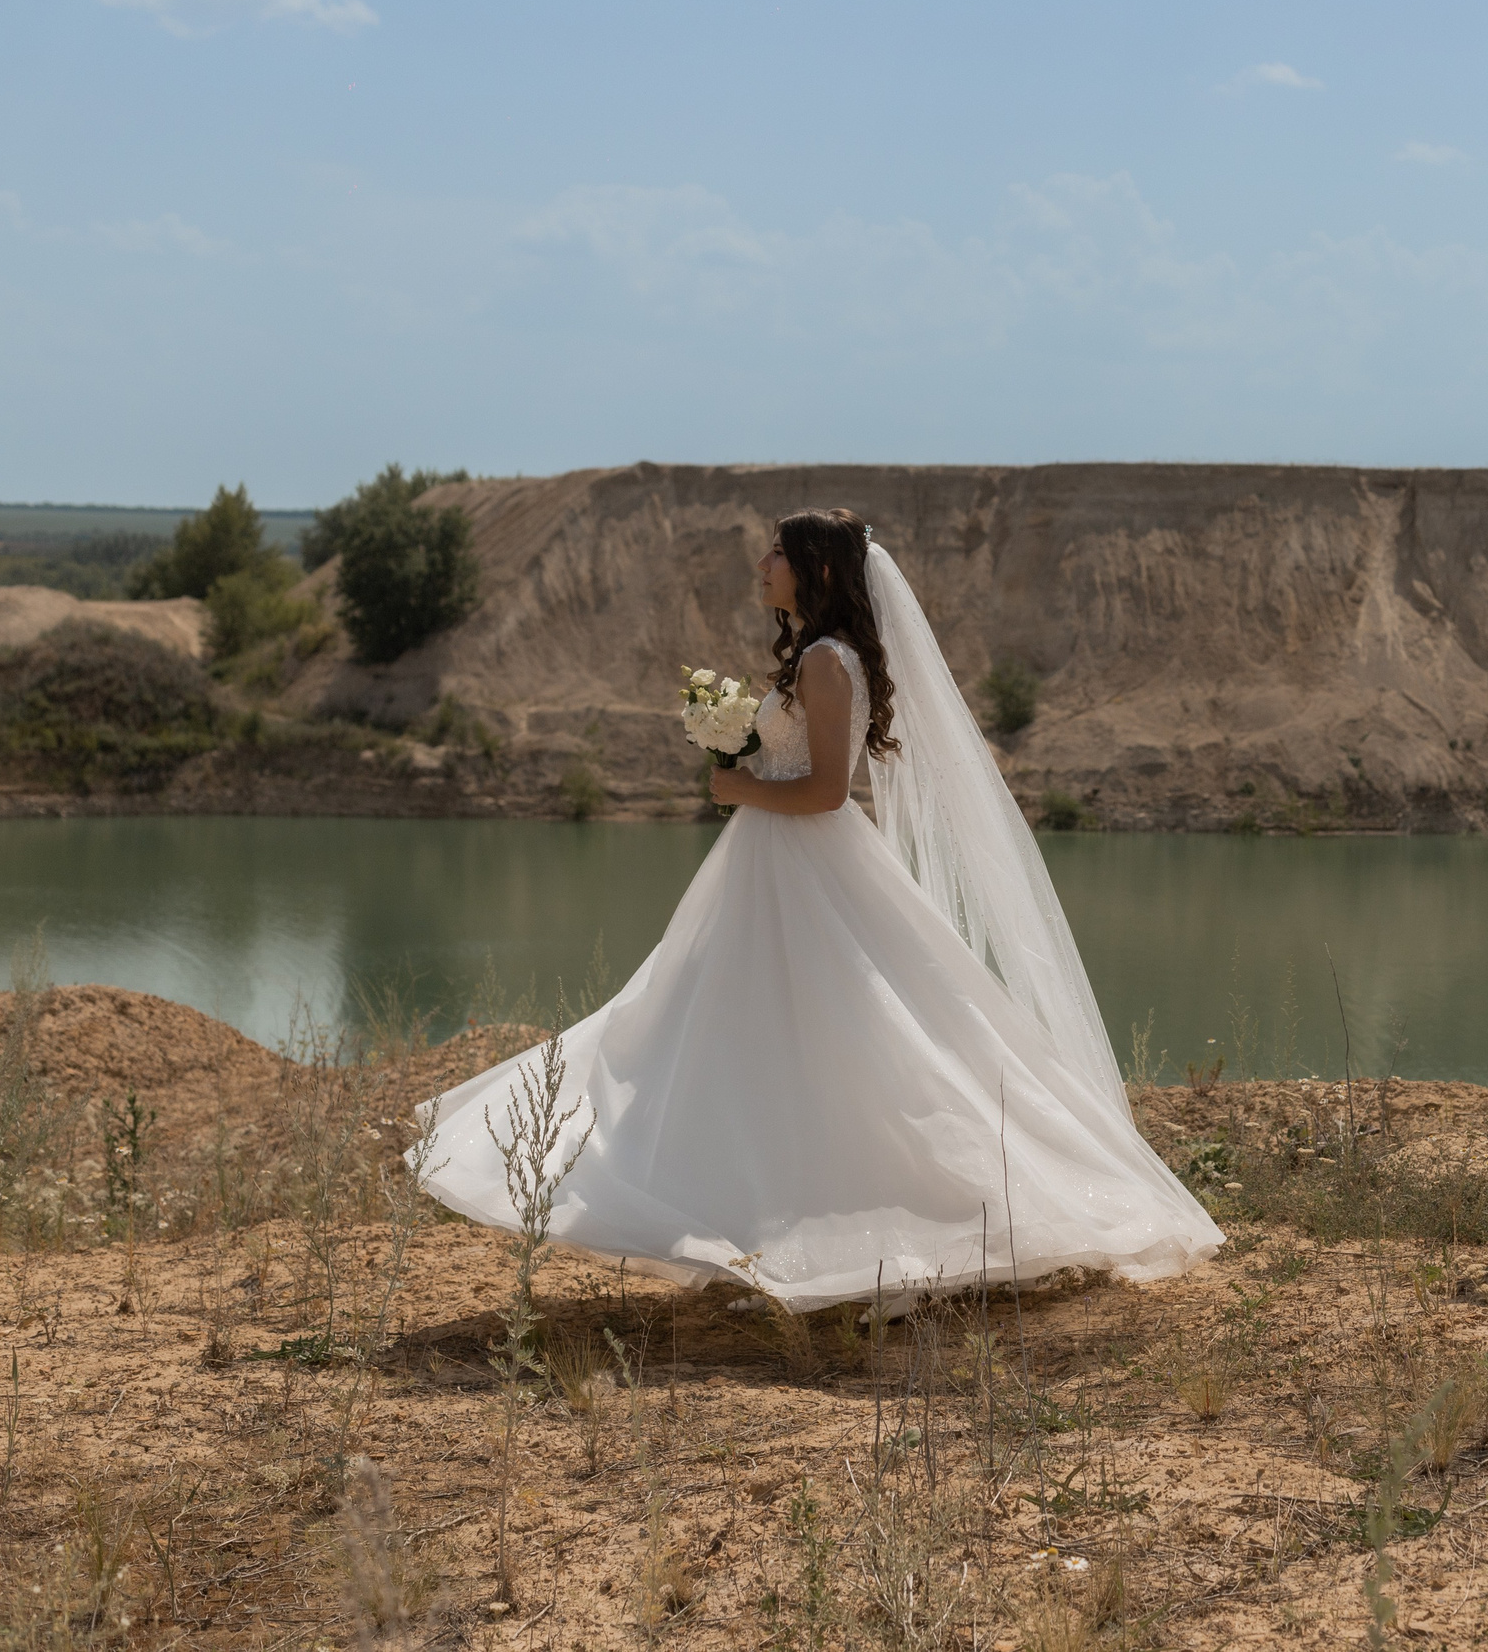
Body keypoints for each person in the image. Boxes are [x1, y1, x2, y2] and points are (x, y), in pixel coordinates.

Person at [415, 508, 1222, 1310]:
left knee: (831, 1038)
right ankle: (746, 1213)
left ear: (820, 570)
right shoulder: (818, 655)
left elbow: (829, 791)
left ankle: (842, 1215)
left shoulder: (828, 661)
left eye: (778, 551)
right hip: (773, 863)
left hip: (804, 864)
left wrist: (740, 785)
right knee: (736, 1033)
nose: (762, 563)